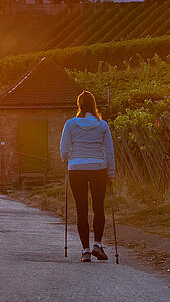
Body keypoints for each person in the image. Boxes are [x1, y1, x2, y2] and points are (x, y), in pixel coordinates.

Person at [60, 90, 115, 262]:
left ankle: (85, 251)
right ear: (93, 105)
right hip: (98, 168)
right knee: (99, 208)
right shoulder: (102, 125)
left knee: (81, 209)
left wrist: (70, 160)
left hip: (76, 169)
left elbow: (63, 151)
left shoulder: (70, 124)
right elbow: (109, 152)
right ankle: (97, 245)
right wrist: (110, 174)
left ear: (79, 105)